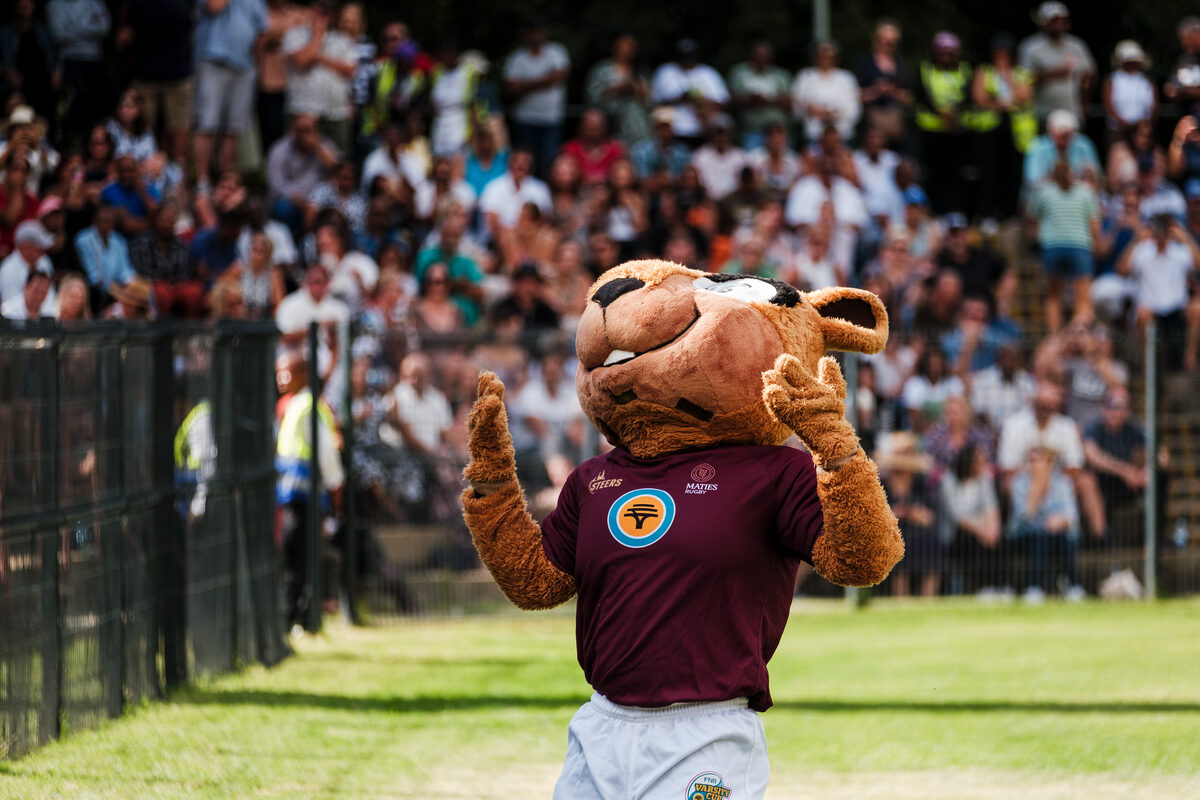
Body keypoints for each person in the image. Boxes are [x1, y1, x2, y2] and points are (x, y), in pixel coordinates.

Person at [275, 351, 344, 633]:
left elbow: (327, 454)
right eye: (278, 373)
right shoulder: (296, 405)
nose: (280, 379)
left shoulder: (308, 406)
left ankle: (299, 620)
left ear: (302, 374)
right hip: (293, 500)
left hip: (305, 500)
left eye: (286, 372)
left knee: (300, 562)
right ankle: (297, 620)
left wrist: (335, 490)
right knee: (297, 560)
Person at [192, 0, 266, 184]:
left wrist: (259, 67)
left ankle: (226, 184)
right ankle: (202, 182)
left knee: (233, 130)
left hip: (245, 66)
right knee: (207, 125)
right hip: (213, 61)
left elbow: (261, 31)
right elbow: (214, 6)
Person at [1117, 214, 1200, 371]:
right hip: (1151, 308)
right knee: (1142, 314)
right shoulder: (1142, 250)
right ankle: (1145, 366)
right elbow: (1121, 270)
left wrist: (1186, 237)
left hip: (1176, 308)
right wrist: (1136, 240)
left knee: (1197, 308)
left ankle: (1190, 356)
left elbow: (1198, 265)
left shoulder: (1180, 251)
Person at [1028, 159, 1101, 333]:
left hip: (1052, 247)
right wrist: (1096, 245)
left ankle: (1054, 338)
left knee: (1053, 297)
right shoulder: (1086, 192)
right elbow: (1094, 226)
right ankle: (1081, 336)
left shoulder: (1043, 193)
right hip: (1080, 247)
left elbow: (1031, 219)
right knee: (1082, 297)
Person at [121, 0, 194, 168]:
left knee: (178, 128)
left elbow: (126, 36)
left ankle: (177, 175)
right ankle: (147, 173)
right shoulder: (137, 4)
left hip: (176, 75)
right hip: (148, 75)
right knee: (145, 128)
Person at [971, 34, 1036, 223]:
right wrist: (1005, 103)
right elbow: (980, 98)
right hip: (990, 130)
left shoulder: (1022, 73)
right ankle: (988, 213)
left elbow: (1023, 97)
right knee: (990, 171)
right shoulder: (983, 71)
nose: (1001, 55)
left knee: (1013, 172)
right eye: (998, 52)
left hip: (1015, 131)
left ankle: (1010, 213)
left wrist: (1004, 75)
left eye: (1004, 52)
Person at [1008, 445, 1083, 602]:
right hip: (1025, 536)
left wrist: (1061, 520)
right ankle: (1034, 587)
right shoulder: (1019, 484)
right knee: (1040, 535)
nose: (1034, 465)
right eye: (1031, 461)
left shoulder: (1063, 483)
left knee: (1062, 537)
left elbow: (1072, 516)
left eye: (1039, 461)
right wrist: (1037, 488)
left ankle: (1073, 587)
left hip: (1056, 535)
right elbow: (1023, 517)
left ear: (1050, 463)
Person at [282, 0, 356, 155]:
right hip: (303, 111)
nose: (321, 16)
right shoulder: (294, 35)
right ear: (311, 10)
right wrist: (317, 36)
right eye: (318, 10)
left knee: (337, 159)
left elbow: (350, 71)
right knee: (302, 160)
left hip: (335, 112)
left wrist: (319, 58)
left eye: (326, 13)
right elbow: (300, 61)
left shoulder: (342, 40)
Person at [1083, 387, 1151, 543]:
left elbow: (1161, 454)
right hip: (1102, 485)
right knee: (1086, 480)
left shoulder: (1134, 429)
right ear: (1103, 408)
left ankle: (1153, 538)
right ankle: (1101, 540)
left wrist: (1146, 472)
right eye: (1110, 406)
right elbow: (1092, 456)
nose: (1114, 411)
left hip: (1129, 485)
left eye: (1119, 407)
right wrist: (1124, 470)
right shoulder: (1094, 428)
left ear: (1128, 411)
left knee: (1157, 477)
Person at [876, 432, 940, 597]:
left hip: (920, 535)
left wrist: (911, 513)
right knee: (899, 545)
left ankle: (929, 597)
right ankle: (900, 597)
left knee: (932, 542)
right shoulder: (882, 485)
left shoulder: (922, 486)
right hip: (891, 535)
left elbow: (929, 517)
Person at [503, 17, 569, 179]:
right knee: (525, 163)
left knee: (549, 163)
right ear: (526, 34)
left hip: (551, 119)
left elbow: (559, 77)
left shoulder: (557, 52)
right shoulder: (516, 58)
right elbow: (511, 89)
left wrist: (525, 85)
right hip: (524, 120)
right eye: (532, 31)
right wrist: (546, 80)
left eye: (538, 31)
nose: (535, 35)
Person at [914, 32, 971, 215]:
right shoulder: (926, 69)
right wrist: (942, 114)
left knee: (956, 174)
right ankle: (935, 211)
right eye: (942, 52)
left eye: (950, 52)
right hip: (932, 130)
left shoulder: (965, 69)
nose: (946, 56)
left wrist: (954, 115)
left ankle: (955, 212)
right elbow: (923, 96)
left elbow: (968, 96)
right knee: (934, 174)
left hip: (956, 130)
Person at [939, 442, 1002, 595]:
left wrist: (993, 531)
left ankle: (994, 587)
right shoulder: (948, 481)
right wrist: (982, 530)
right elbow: (958, 517)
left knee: (999, 541)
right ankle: (980, 587)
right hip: (956, 535)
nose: (984, 464)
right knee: (971, 542)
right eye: (981, 461)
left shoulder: (984, 479)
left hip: (982, 530)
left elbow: (991, 506)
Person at [266, 114, 340, 242]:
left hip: (320, 201)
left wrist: (318, 149)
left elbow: (340, 172)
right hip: (292, 202)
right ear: (292, 131)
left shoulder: (325, 146)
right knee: (284, 209)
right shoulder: (279, 150)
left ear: (316, 131)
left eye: (308, 130)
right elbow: (276, 185)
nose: (304, 135)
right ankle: (294, 245)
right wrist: (301, 200)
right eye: (300, 130)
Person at [1018, 1, 1096, 123]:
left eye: (1062, 20)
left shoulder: (1077, 46)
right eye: (1054, 21)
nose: (1059, 24)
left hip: (1072, 113)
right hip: (1041, 113)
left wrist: (1084, 101)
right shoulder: (1030, 47)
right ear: (1042, 22)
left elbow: (1089, 75)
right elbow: (1022, 80)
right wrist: (1052, 74)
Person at [47, 0, 112, 141]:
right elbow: (58, 34)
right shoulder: (54, 5)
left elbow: (105, 28)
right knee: (75, 99)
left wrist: (72, 28)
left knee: (103, 97)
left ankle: (97, 139)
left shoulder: (96, 3)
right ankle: (72, 138)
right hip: (69, 59)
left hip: (96, 58)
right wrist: (90, 25)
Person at [130, 202, 205, 318]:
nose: (167, 224)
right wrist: (162, 283)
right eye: (164, 220)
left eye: (171, 221)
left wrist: (173, 284)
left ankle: (191, 329)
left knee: (194, 292)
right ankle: (163, 329)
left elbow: (184, 273)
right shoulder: (142, 243)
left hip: (175, 285)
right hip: (151, 285)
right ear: (156, 221)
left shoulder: (180, 245)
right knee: (161, 292)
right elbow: (142, 273)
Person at [650, 38, 729, 147]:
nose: (687, 60)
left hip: (702, 130)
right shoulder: (665, 71)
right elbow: (656, 101)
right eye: (683, 56)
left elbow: (723, 102)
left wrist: (701, 100)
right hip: (674, 131)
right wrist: (683, 97)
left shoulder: (708, 73)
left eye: (689, 56)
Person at [0, 0, 59, 134]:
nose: (24, 7)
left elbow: (54, 55)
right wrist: (7, 72)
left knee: (44, 114)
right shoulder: (5, 33)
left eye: (28, 3)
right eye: (21, 3)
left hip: (41, 82)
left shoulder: (43, 31)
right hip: (14, 84)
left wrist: (55, 71)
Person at [585, 33, 651, 146]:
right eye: (624, 45)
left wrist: (640, 91)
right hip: (610, 128)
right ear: (615, 47)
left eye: (631, 46)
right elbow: (592, 97)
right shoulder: (602, 70)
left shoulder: (641, 71)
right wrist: (618, 89)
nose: (628, 49)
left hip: (638, 130)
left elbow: (650, 102)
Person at [855, 19, 912, 149]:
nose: (886, 44)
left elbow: (909, 97)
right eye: (882, 40)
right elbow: (855, 95)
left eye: (891, 42)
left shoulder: (900, 63)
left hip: (896, 125)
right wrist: (876, 91)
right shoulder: (864, 63)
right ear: (875, 39)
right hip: (871, 126)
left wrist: (894, 91)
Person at [791, 40, 861, 144]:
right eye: (822, 56)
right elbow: (796, 104)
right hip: (814, 134)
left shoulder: (846, 78)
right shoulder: (805, 76)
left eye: (830, 57)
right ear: (816, 57)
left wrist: (832, 114)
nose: (826, 60)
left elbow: (854, 109)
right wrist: (810, 109)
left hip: (842, 134)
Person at [727, 40, 792, 151]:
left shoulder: (781, 75)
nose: (761, 59)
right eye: (757, 56)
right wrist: (751, 100)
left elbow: (788, 103)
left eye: (764, 56)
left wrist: (767, 100)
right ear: (751, 56)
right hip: (751, 130)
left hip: (777, 131)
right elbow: (731, 100)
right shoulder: (739, 73)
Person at [1022, 109, 1101, 193]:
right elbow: (1033, 181)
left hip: (1078, 196)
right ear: (1050, 131)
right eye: (1060, 136)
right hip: (1045, 197)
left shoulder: (1084, 145)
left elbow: (1095, 178)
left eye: (1067, 136)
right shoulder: (1037, 146)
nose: (1063, 141)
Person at [1103, 40, 1156, 147]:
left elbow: (1154, 106)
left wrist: (1144, 125)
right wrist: (1124, 124)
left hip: (1142, 132)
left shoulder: (1146, 81)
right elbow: (1109, 106)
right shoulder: (1112, 80)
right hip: (1118, 130)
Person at [75, 205, 135, 299]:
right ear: (95, 221)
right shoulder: (83, 240)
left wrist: (130, 283)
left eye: (109, 222)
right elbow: (93, 277)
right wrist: (113, 287)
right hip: (93, 291)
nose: (105, 225)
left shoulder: (119, 240)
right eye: (102, 221)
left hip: (117, 290)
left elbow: (125, 270)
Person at [630, 107, 691, 192]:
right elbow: (641, 178)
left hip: (675, 193)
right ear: (655, 128)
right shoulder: (641, 150)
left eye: (669, 127)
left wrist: (669, 180)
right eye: (662, 127)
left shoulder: (682, 151)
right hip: (647, 192)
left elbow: (684, 179)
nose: (666, 132)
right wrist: (659, 181)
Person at [560, 108, 626, 187]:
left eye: (596, 128)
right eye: (589, 127)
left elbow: (624, 176)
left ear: (605, 127)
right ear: (581, 127)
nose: (593, 132)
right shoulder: (570, 149)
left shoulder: (616, 149)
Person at [0, 220, 56, 311]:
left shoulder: (45, 261)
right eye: (39, 248)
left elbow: (51, 298)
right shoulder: (7, 270)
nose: (42, 253)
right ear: (24, 246)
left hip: (46, 321)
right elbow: (8, 309)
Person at [690, 115, 747, 201]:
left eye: (725, 133)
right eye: (718, 134)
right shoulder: (700, 156)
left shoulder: (740, 156)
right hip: (707, 201)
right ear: (712, 135)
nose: (722, 137)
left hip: (734, 201)